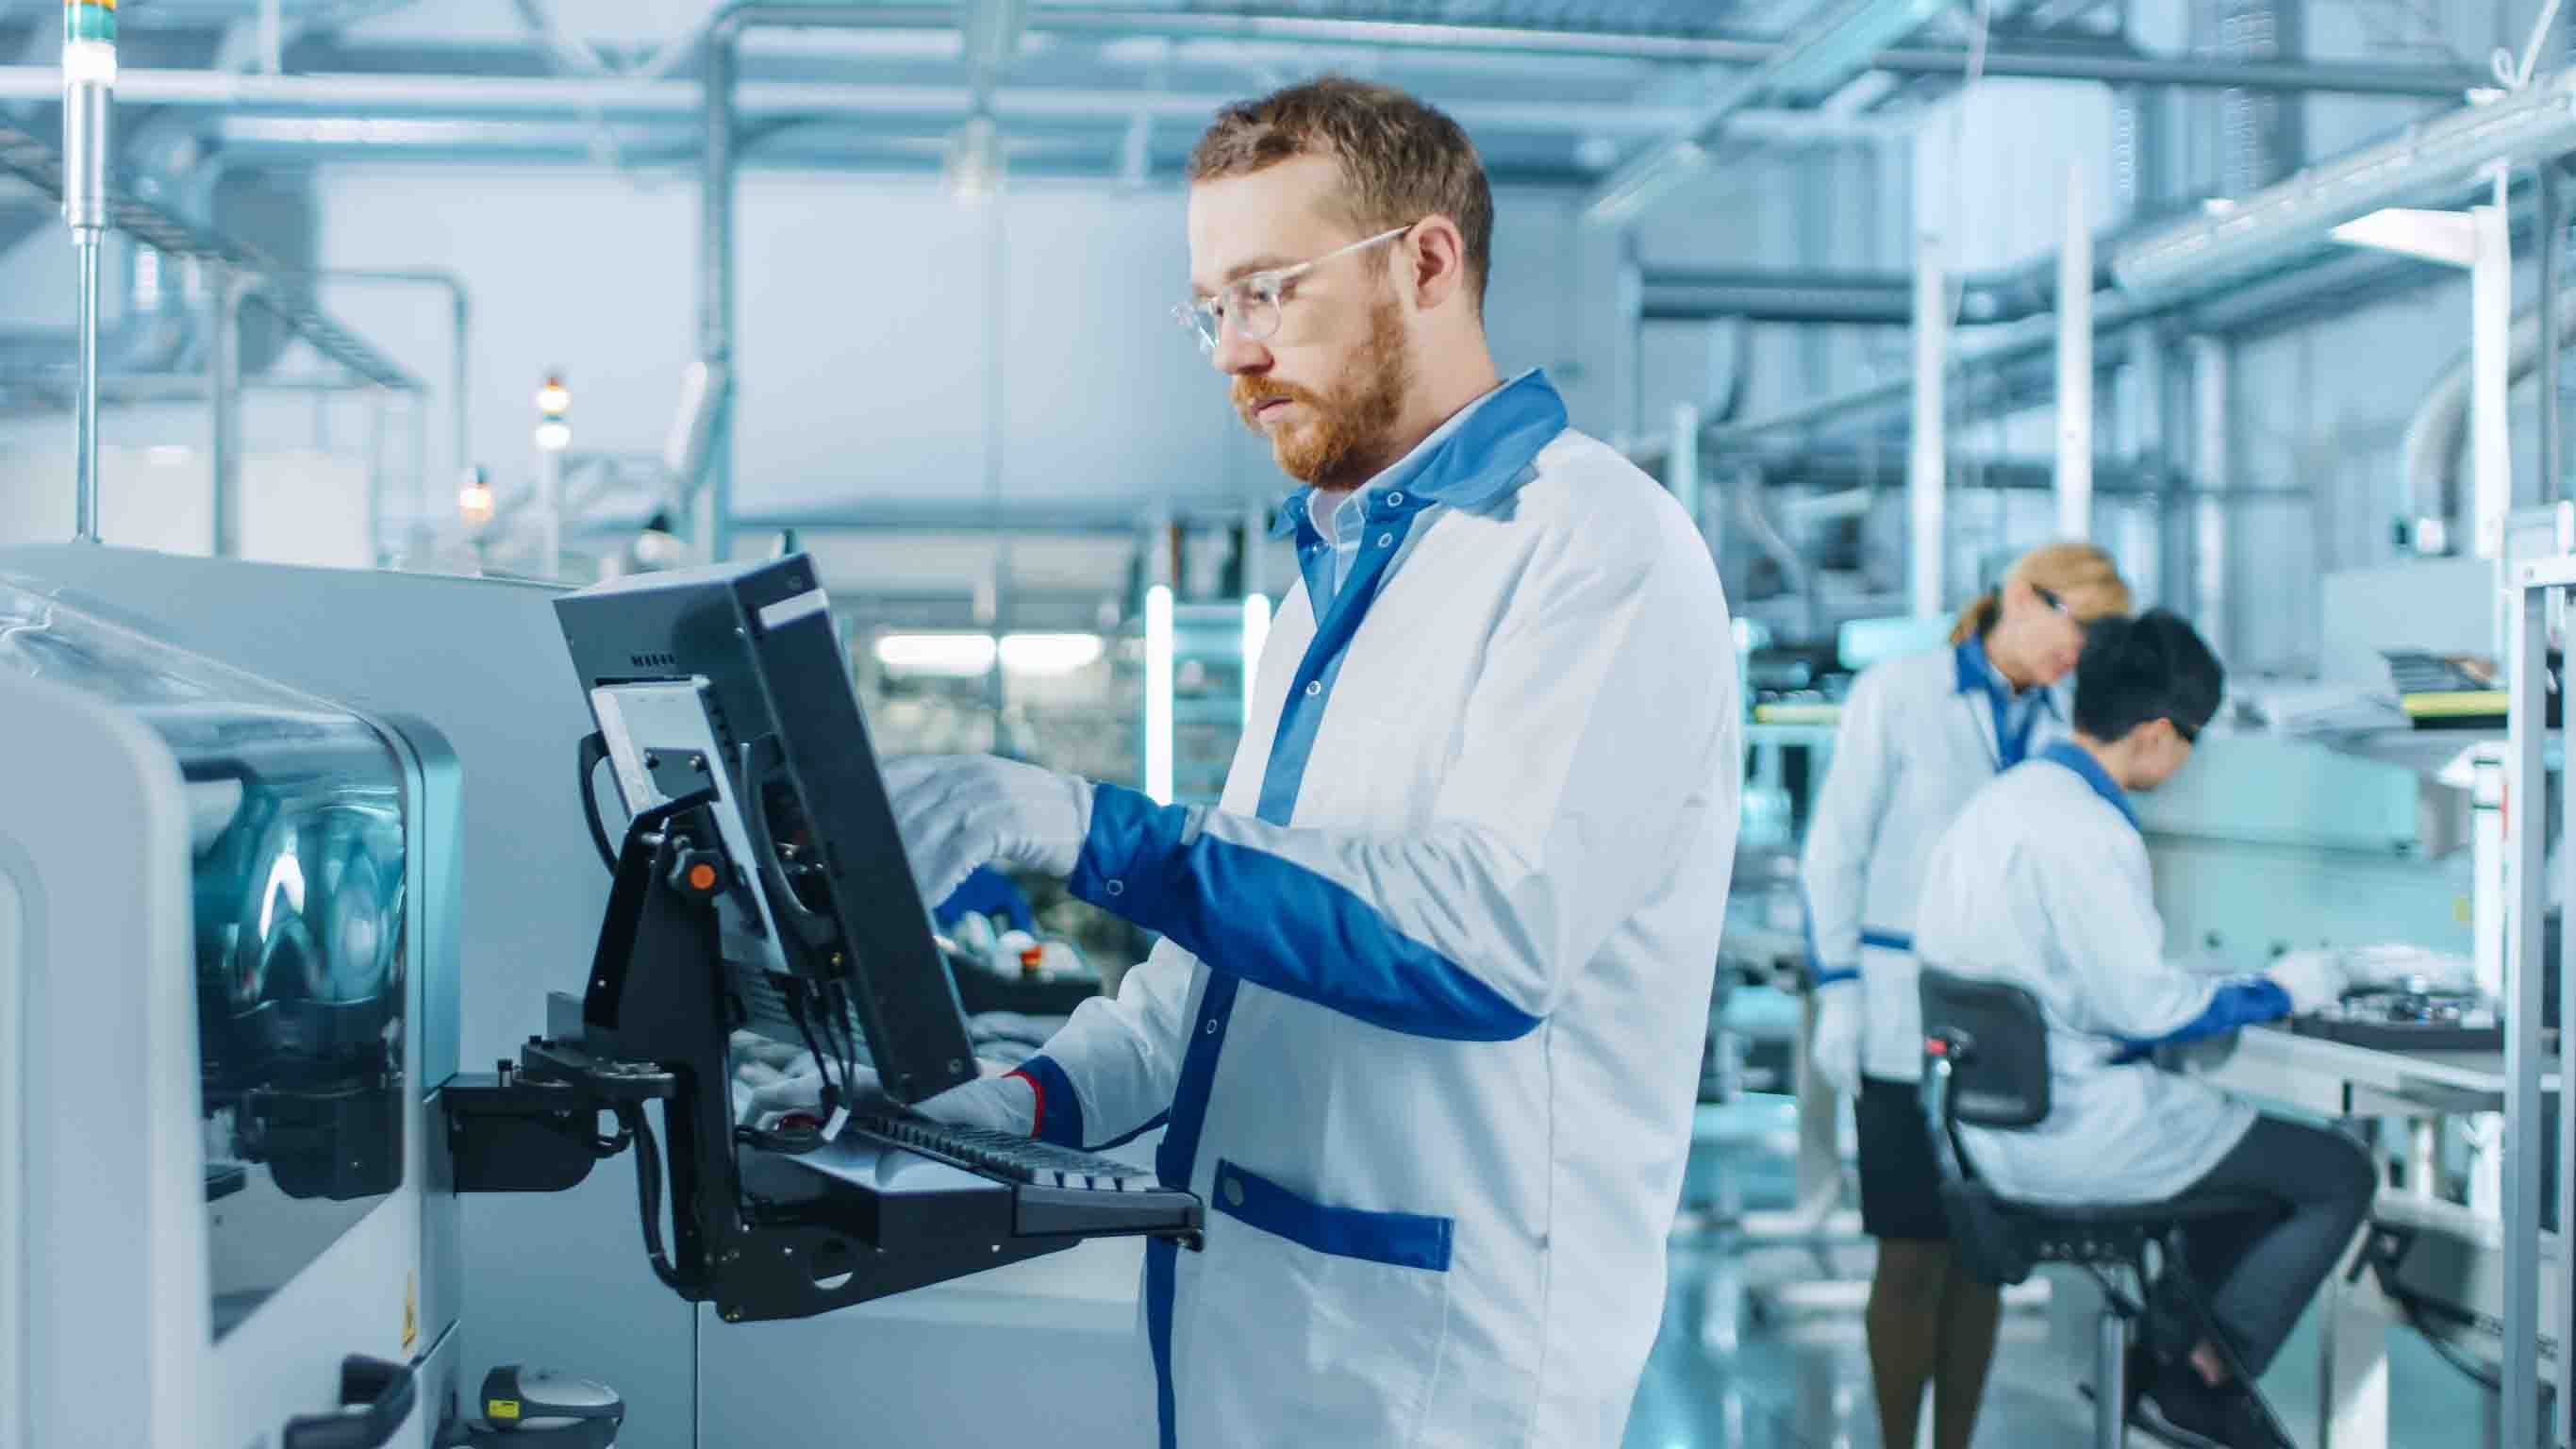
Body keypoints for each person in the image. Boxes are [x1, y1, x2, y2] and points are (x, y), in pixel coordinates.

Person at [791, 79, 1740, 1446]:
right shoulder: (1331, 579)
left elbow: (1483, 944)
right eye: (1210, 309)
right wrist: (996, 1112)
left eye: (1268, 292)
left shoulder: (1592, 547)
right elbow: (1215, 991)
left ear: (1423, 261)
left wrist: (1094, 830)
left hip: (1439, 1369)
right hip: (1261, 1329)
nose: (1232, 354)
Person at [1910, 610, 2376, 1449]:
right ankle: (2199, 1383)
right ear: (2159, 733)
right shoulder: (2089, 830)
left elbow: (2070, 985)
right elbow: (2142, 1011)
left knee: (2242, 1172)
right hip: (2078, 1132)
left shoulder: (1999, 804)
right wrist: (2279, 986)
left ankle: (2157, 1371)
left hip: (1988, 1132)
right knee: (2334, 1171)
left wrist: (2201, 988)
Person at [1800, 541, 2131, 1449]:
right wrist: (1837, 990)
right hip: (1898, 1009)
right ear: (2019, 597)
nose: (2080, 654)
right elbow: (1835, 853)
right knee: (1908, 1251)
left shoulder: (2067, 721)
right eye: (2078, 627)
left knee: (1982, 1256)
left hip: (2011, 1022)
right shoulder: (1900, 695)